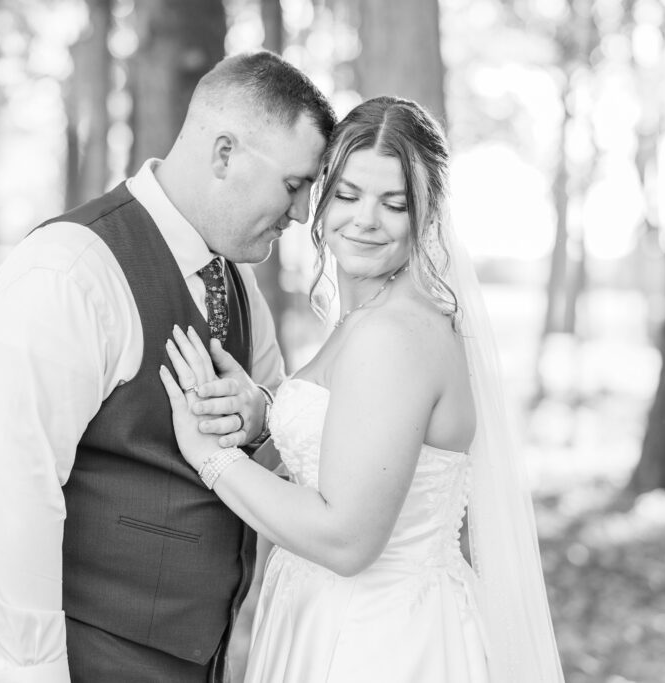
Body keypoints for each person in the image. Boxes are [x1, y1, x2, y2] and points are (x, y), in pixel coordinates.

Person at [160, 96, 565, 682]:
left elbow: (348, 539)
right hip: (330, 620)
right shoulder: (364, 321)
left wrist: (213, 458)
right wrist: (263, 415)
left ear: (427, 216)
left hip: (379, 642)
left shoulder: (393, 337)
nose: (365, 219)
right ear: (319, 202)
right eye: (347, 195)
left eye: (394, 204)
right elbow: (343, 453)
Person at [0, 50, 336, 683]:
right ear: (225, 154)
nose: (303, 214)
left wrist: (261, 418)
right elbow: (13, 494)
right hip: (79, 660)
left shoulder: (239, 288)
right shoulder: (69, 272)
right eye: (295, 185)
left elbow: (282, 456)